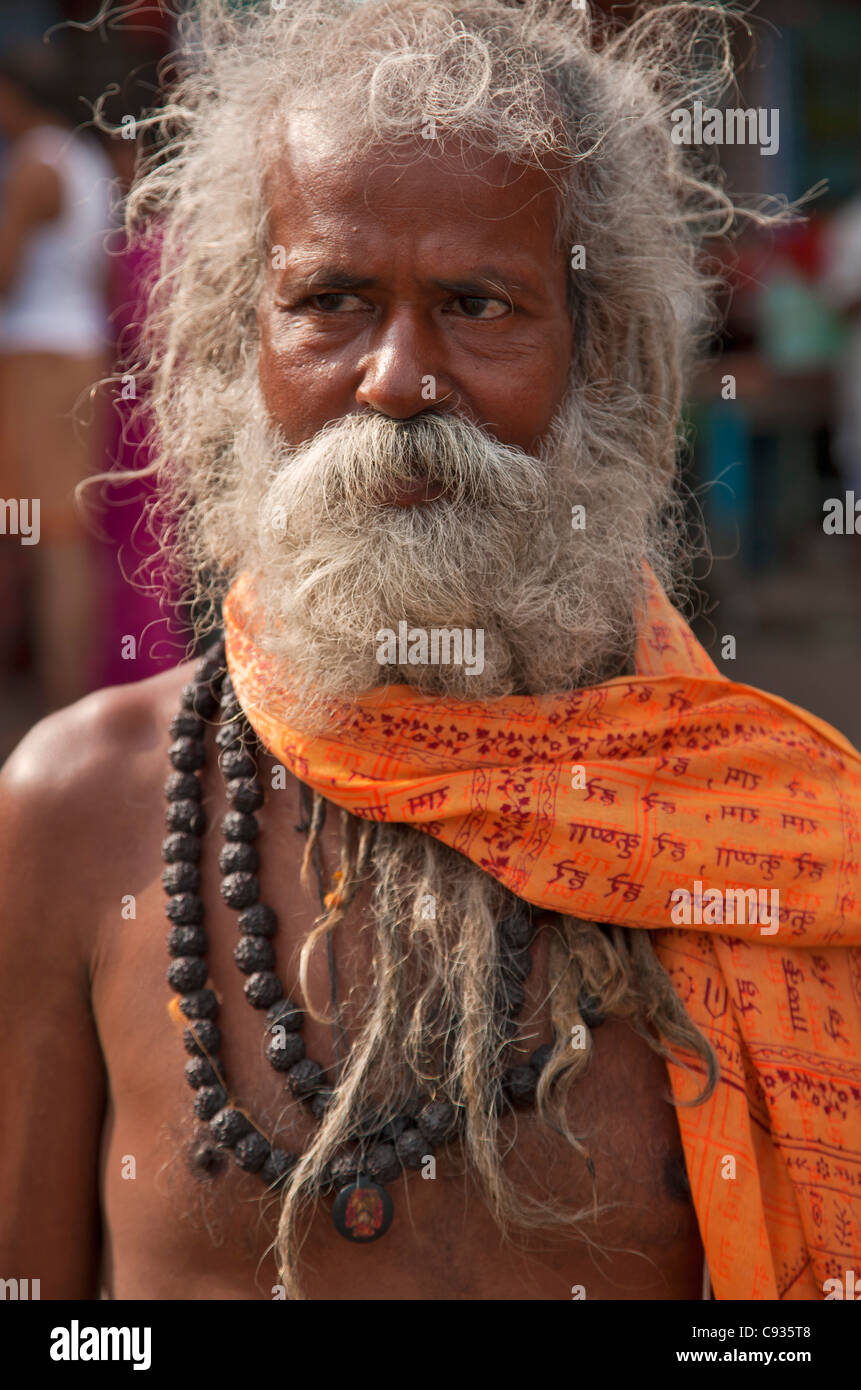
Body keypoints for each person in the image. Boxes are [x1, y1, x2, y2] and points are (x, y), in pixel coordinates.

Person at [0, 0, 858, 1302]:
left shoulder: (767, 841)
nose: (398, 378)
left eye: (478, 303)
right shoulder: (76, 814)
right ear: (245, 343)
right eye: (330, 300)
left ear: (602, 353)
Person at [0, 40, 113, 717]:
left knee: (43, 540)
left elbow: (3, 274)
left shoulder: (35, 162)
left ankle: (54, 708)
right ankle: (63, 702)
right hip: (76, 355)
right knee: (58, 537)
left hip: (34, 362)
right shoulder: (88, 161)